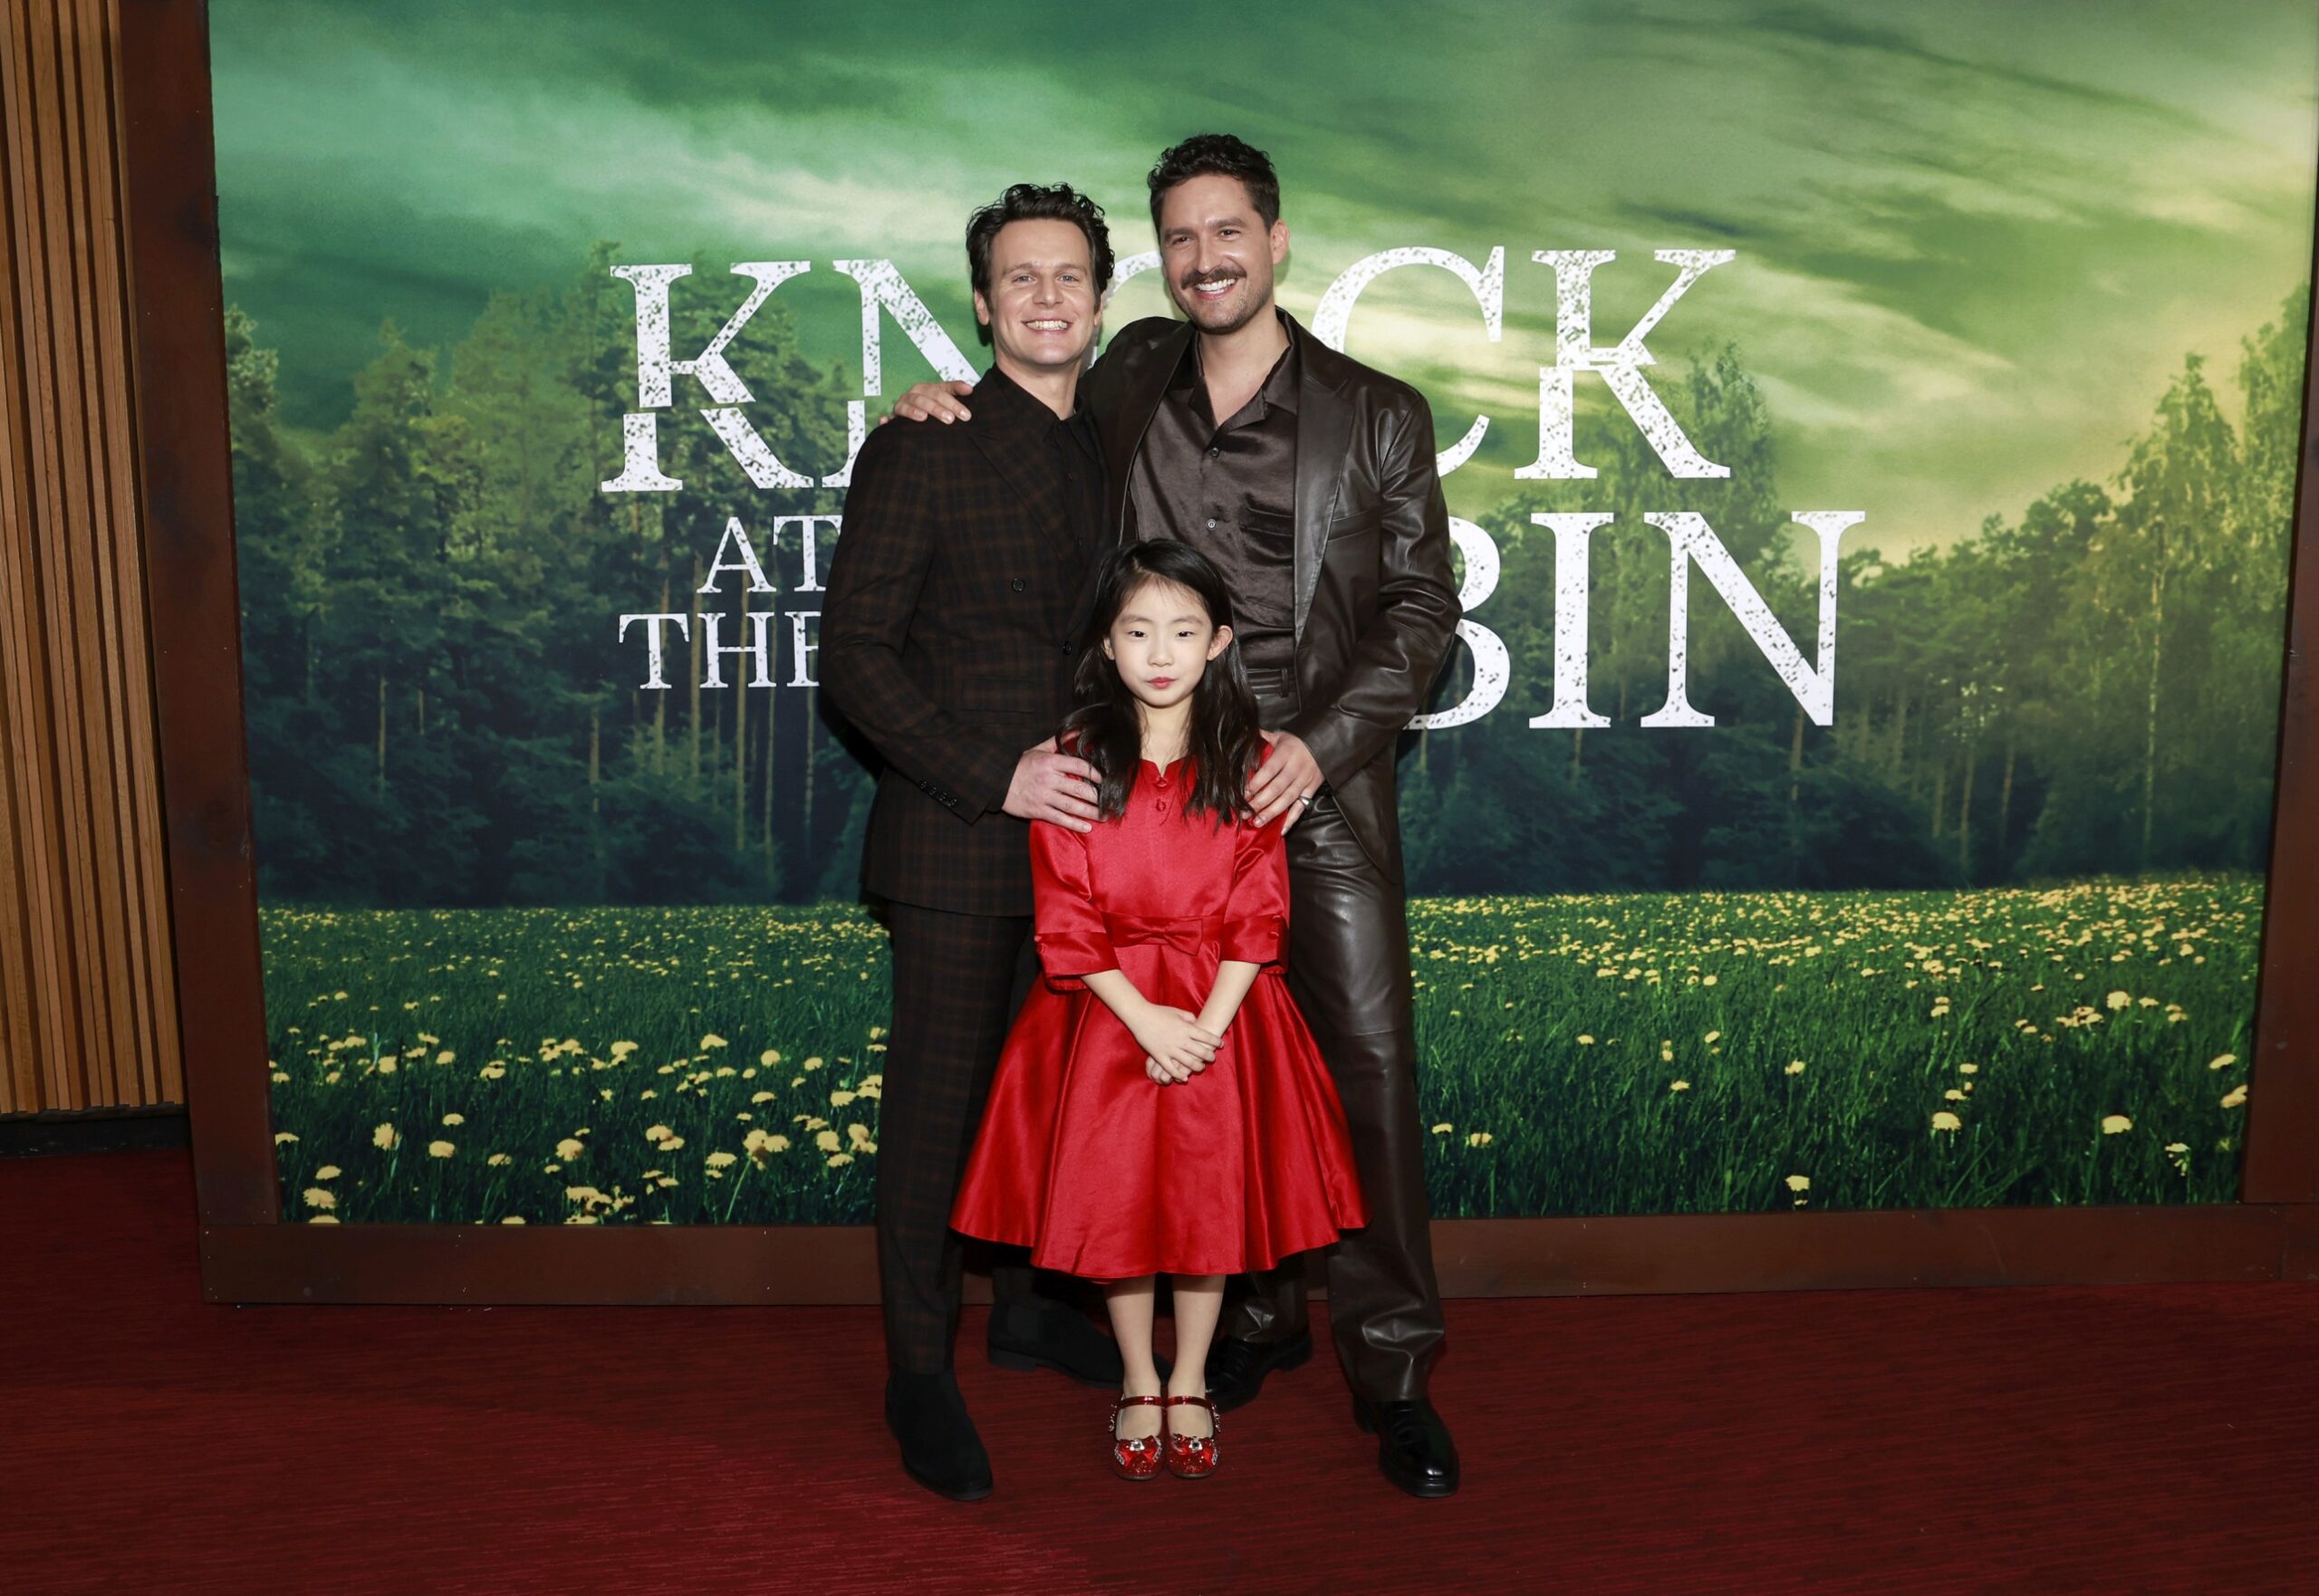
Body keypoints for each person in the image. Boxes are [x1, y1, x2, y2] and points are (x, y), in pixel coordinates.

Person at [890, 133, 1465, 1497]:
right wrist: (931, 404)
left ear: (1277, 239)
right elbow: (1024, 407)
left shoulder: (1377, 412)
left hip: (1305, 783)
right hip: (1154, 787)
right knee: (1197, 1067)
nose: (1205, 260)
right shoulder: (1132, 373)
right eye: (1181, 239)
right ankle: (1251, 1320)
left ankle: (1393, 1373)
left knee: (1365, 1067)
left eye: (1229, 233)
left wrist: (1319, 747)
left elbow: (1421, 613)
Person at [820, 182, 1128, 1503]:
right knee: (937, 1121)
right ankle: (916, 1368)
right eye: (1020, 277)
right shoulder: (925, 443)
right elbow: (854, 656)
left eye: (1069, 275)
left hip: (1093, 849)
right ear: (986, 303)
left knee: (1055, 1106)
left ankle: (1029, 1315)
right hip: (960, 843)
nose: (1047, 296)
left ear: (1102, 301)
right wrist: (989, 776)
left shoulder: (1118, 440)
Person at [950, 539, 1367, 1482]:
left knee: (1206, 1205)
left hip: (1226, 1013)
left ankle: (1189, 1378)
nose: (1160, 652)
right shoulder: (1071, 762)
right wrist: (1143, 1020)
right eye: (1137, 632)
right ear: (1107, 644)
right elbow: (1064, 916)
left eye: (1183, 631)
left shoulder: (1253, 763)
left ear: (1219, 641)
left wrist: (1207, 1030)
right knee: (1122, 1204)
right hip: (1106, 1015)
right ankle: (1138, 1374)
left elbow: (1260, 912)